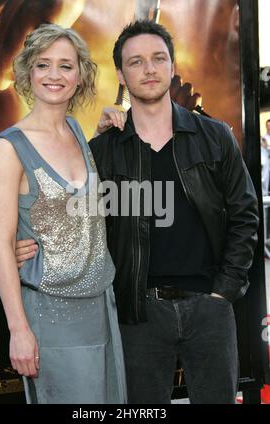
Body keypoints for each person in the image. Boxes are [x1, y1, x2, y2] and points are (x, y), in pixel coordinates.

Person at [16, 20, 259, 404]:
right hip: (137, 313)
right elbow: (74, 222)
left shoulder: (214, 137)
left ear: (172, 66)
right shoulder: (104, 151)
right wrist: (28, 245)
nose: (149, 69)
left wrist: (224, 290)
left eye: (158, 58)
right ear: (121, 73)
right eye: (137, 61)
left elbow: (245, 215)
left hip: (209, 308)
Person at [0, 23, 127, 404]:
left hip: (101, 305)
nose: (54, 75)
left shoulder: (76, 132)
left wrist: (100, 130)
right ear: (28, 72)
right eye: (43, 64)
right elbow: (1, 247)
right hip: (50, 316)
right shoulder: (8, 148)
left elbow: (77, 208)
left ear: (80, 75)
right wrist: (19, 330)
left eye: (66, 66)